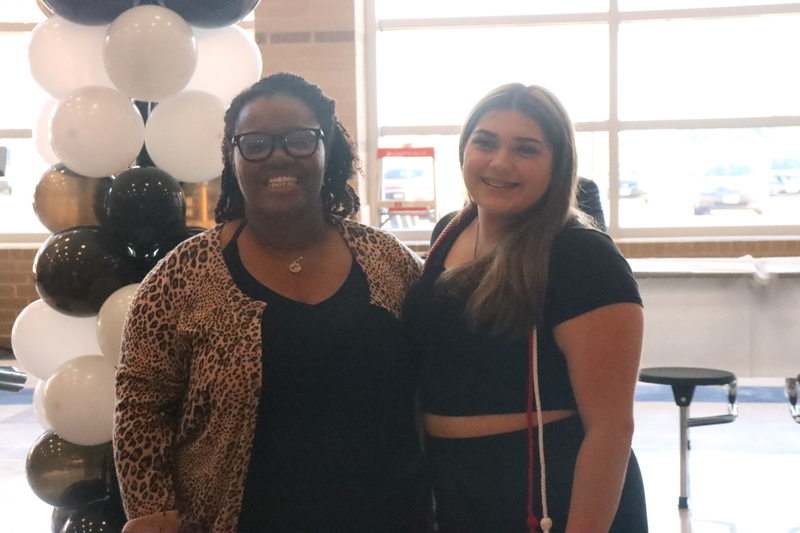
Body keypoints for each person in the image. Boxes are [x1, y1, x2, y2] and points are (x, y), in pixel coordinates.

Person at [114, 72, 426, 533]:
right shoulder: (182, 276)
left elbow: (438, 375)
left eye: (299, 139)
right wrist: (151, 508)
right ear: (232, 156)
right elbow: (142, 402)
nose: (279, 156)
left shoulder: (389, 260)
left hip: (390, 516)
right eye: (256, 143)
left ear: (326, 148)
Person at [403, 83, 647, 533]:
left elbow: (611, 430)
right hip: (455, 485)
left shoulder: (583, 257)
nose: (500, 162)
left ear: (558, 163)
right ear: (464, 149)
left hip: (548, 492)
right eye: (485, 142)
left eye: (526, 149)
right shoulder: (450, 231)